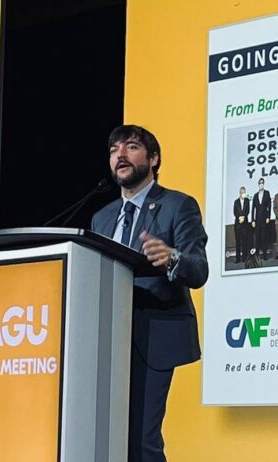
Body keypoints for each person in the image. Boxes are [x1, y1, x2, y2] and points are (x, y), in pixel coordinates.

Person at [91, 125, 208, 462]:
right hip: (107, 340)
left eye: (131, 147)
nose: (120, 155)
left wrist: (172, 257)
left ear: (154, 159)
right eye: (114, 150)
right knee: (107, 439)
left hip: (153, 335)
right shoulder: (102, 217)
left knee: (142, 442)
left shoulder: (177, 205)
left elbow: (198, 269)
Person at [251, 177, 271, 260]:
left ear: (264, 184)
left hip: (264, 219)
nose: (261, 184)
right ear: (258, 184)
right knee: (257, 237)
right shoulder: (255, 195)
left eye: (262, 183)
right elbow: (253, 209)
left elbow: (269, 206)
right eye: (260, 183)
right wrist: (252, 220)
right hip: (257, 220)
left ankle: (265, 256)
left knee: (264, 237)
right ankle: (257, 255)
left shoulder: (267, 193)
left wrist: (268, 217)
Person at [233, 186, 249, 263]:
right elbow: (235, 212)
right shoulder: (236, 202)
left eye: (244, 192)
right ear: (240, 193)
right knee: (238, 242)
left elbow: (248, 211)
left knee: (245, 241)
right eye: (242, 192)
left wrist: (243, 217)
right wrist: (239, 218)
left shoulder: (247, 201)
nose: (243, 194)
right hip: (238, 224)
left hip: (245, 224)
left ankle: (244, 258)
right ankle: (238, 259)